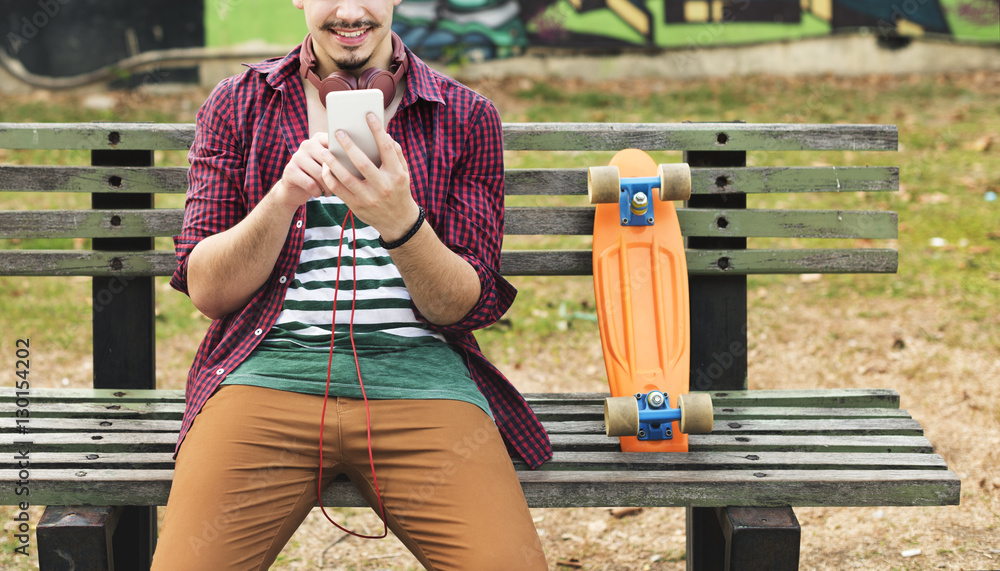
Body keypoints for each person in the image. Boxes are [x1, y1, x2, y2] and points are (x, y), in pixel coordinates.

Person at [150, 0, 551, 568]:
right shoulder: (238, 102)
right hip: (264, 377)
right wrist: (282, 198)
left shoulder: (464, 114)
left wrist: (400, 221)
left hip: (423, 382)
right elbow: (209, 292)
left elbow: (461, 306)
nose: (348, 11)